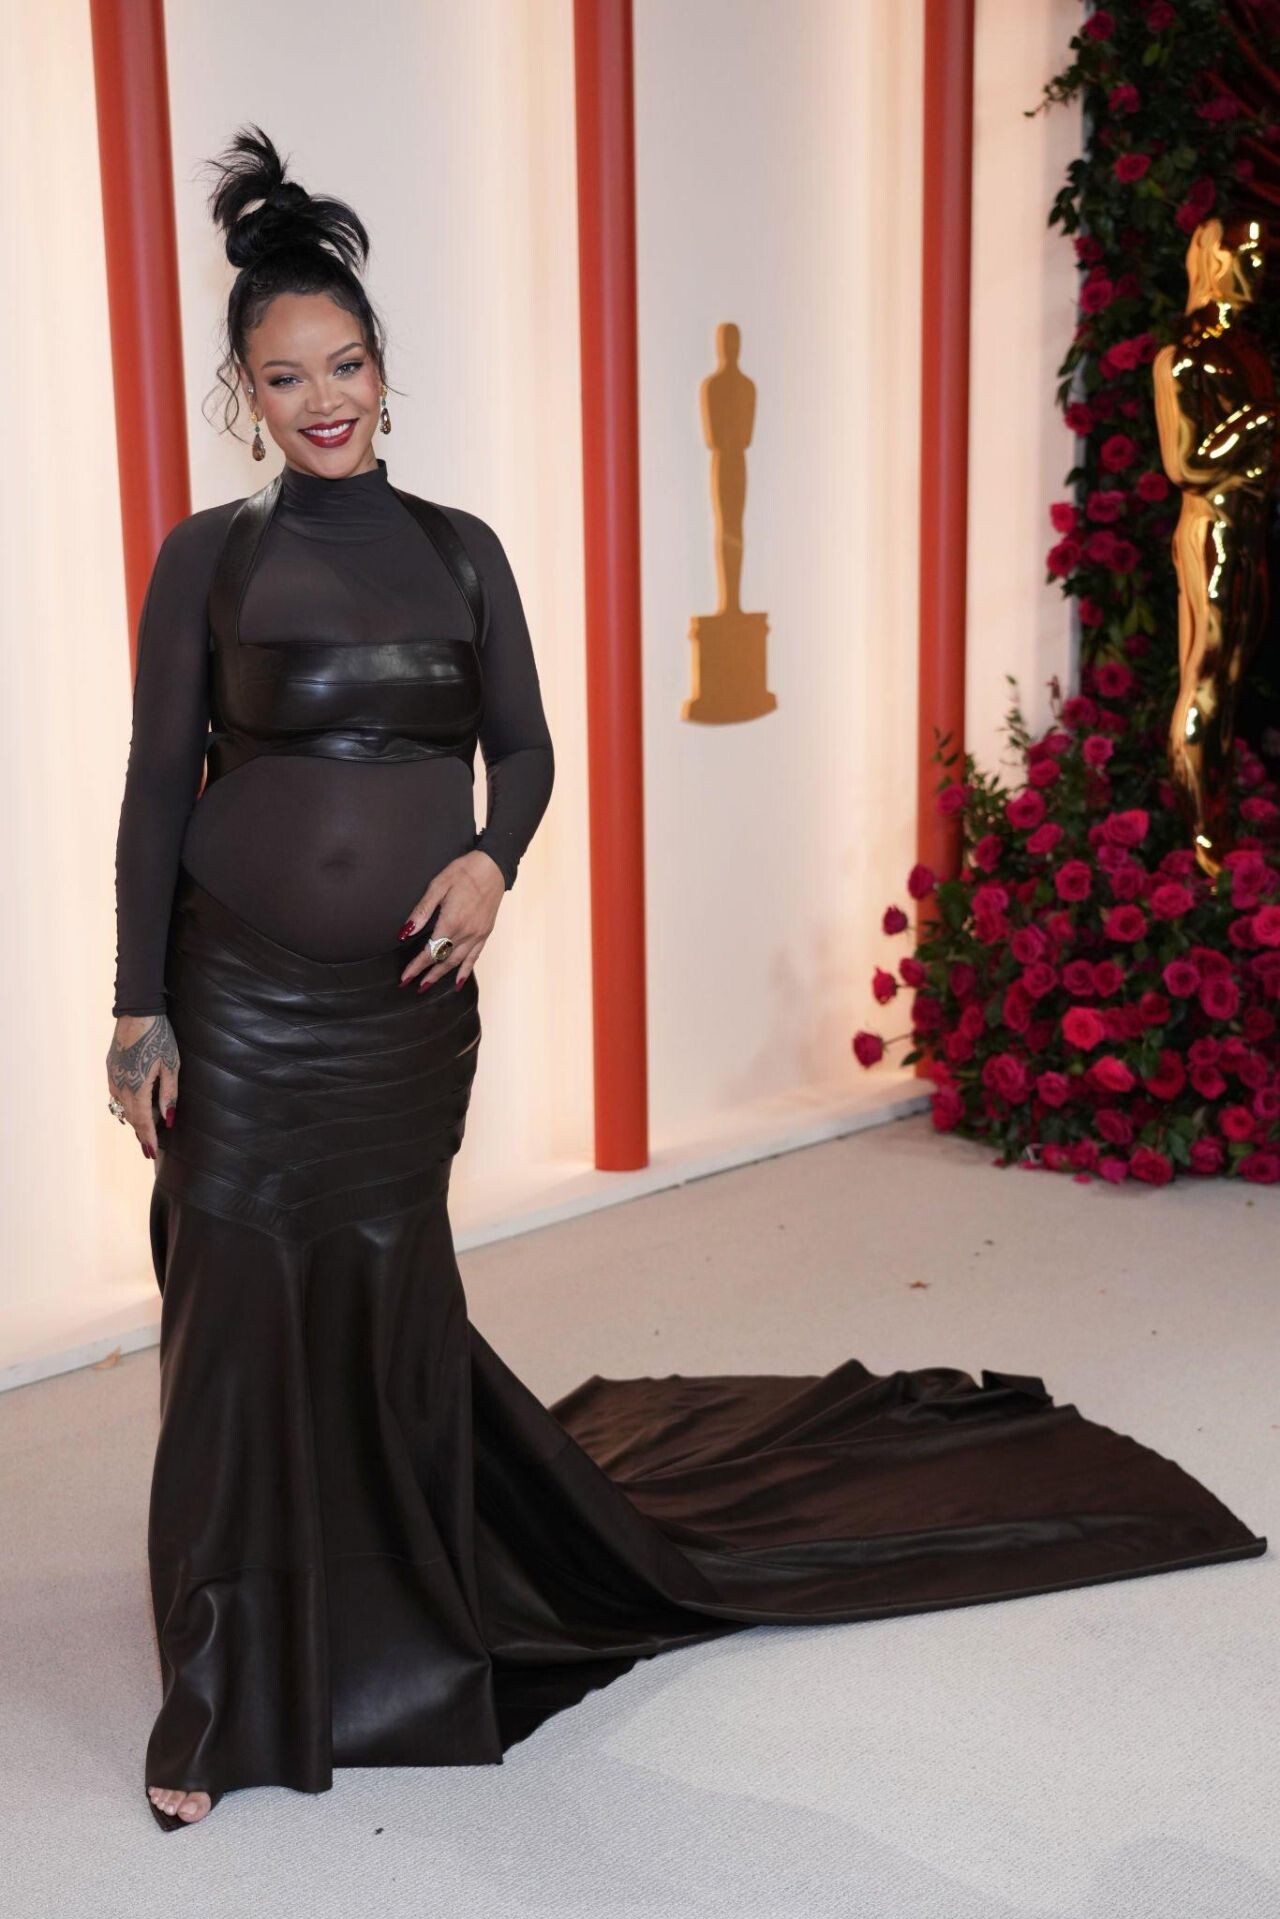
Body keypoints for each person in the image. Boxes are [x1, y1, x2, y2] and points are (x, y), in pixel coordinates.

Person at [108, 127, 1266, 1834]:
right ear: (247, 393)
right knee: (227, 1331)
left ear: (381, 365)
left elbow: (526, 749)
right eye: (286, 378)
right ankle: (219, 1690)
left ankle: (393, 1634)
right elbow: (157, 790)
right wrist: (136, 1006)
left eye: (344, 364)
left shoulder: (461, 549)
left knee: (382, 1309)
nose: (322, 399)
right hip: (240, 1001)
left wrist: (492, 862)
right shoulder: (208, 559)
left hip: (403, 1016)